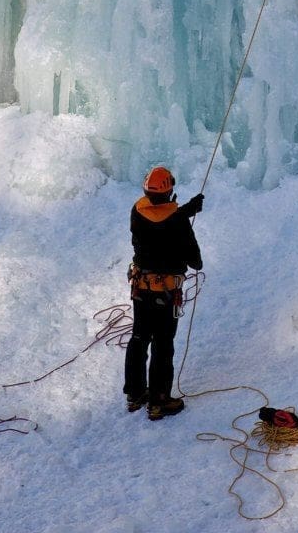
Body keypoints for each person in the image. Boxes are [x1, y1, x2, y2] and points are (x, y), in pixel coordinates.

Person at [123, 165, 203, 420]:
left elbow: (161, 220)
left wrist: (186, 211)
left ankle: (135, 394)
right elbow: (195, 261)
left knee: (139, 338)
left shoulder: (137, 211)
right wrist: (184, 216)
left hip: (141, 289)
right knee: (162, 344)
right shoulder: (178, 221)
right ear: (170, 192)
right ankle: (159, 401)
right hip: (166, 293)